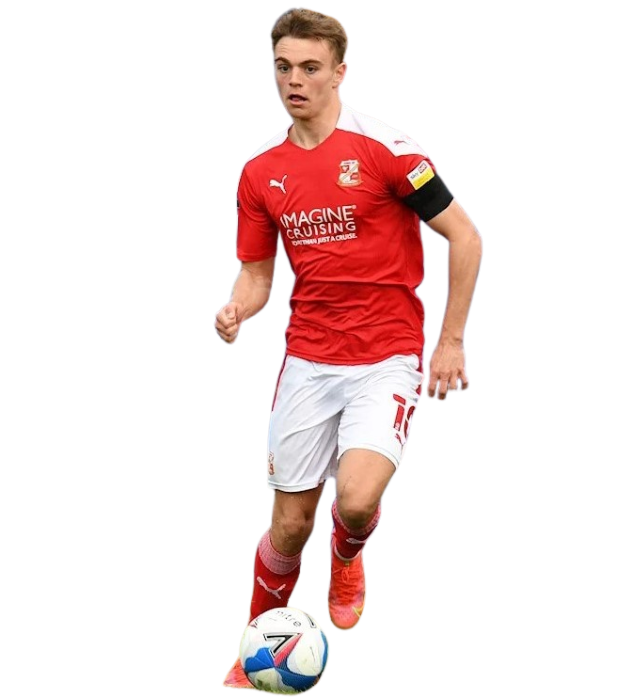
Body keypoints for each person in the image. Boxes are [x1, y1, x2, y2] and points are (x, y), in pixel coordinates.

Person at [218, 6, 483, 691]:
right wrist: (238, 308)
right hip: (309, 359)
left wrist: (450, 341)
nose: (294, 80)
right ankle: (253, 651)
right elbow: (256, 275)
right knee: (288, 526)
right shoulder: (259, 170)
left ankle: (347, 555)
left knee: (358, 501)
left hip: (388, 355)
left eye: (310, 67)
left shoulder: (388, 149)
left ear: (340, 71)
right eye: (283, 67)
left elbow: (466, 236)